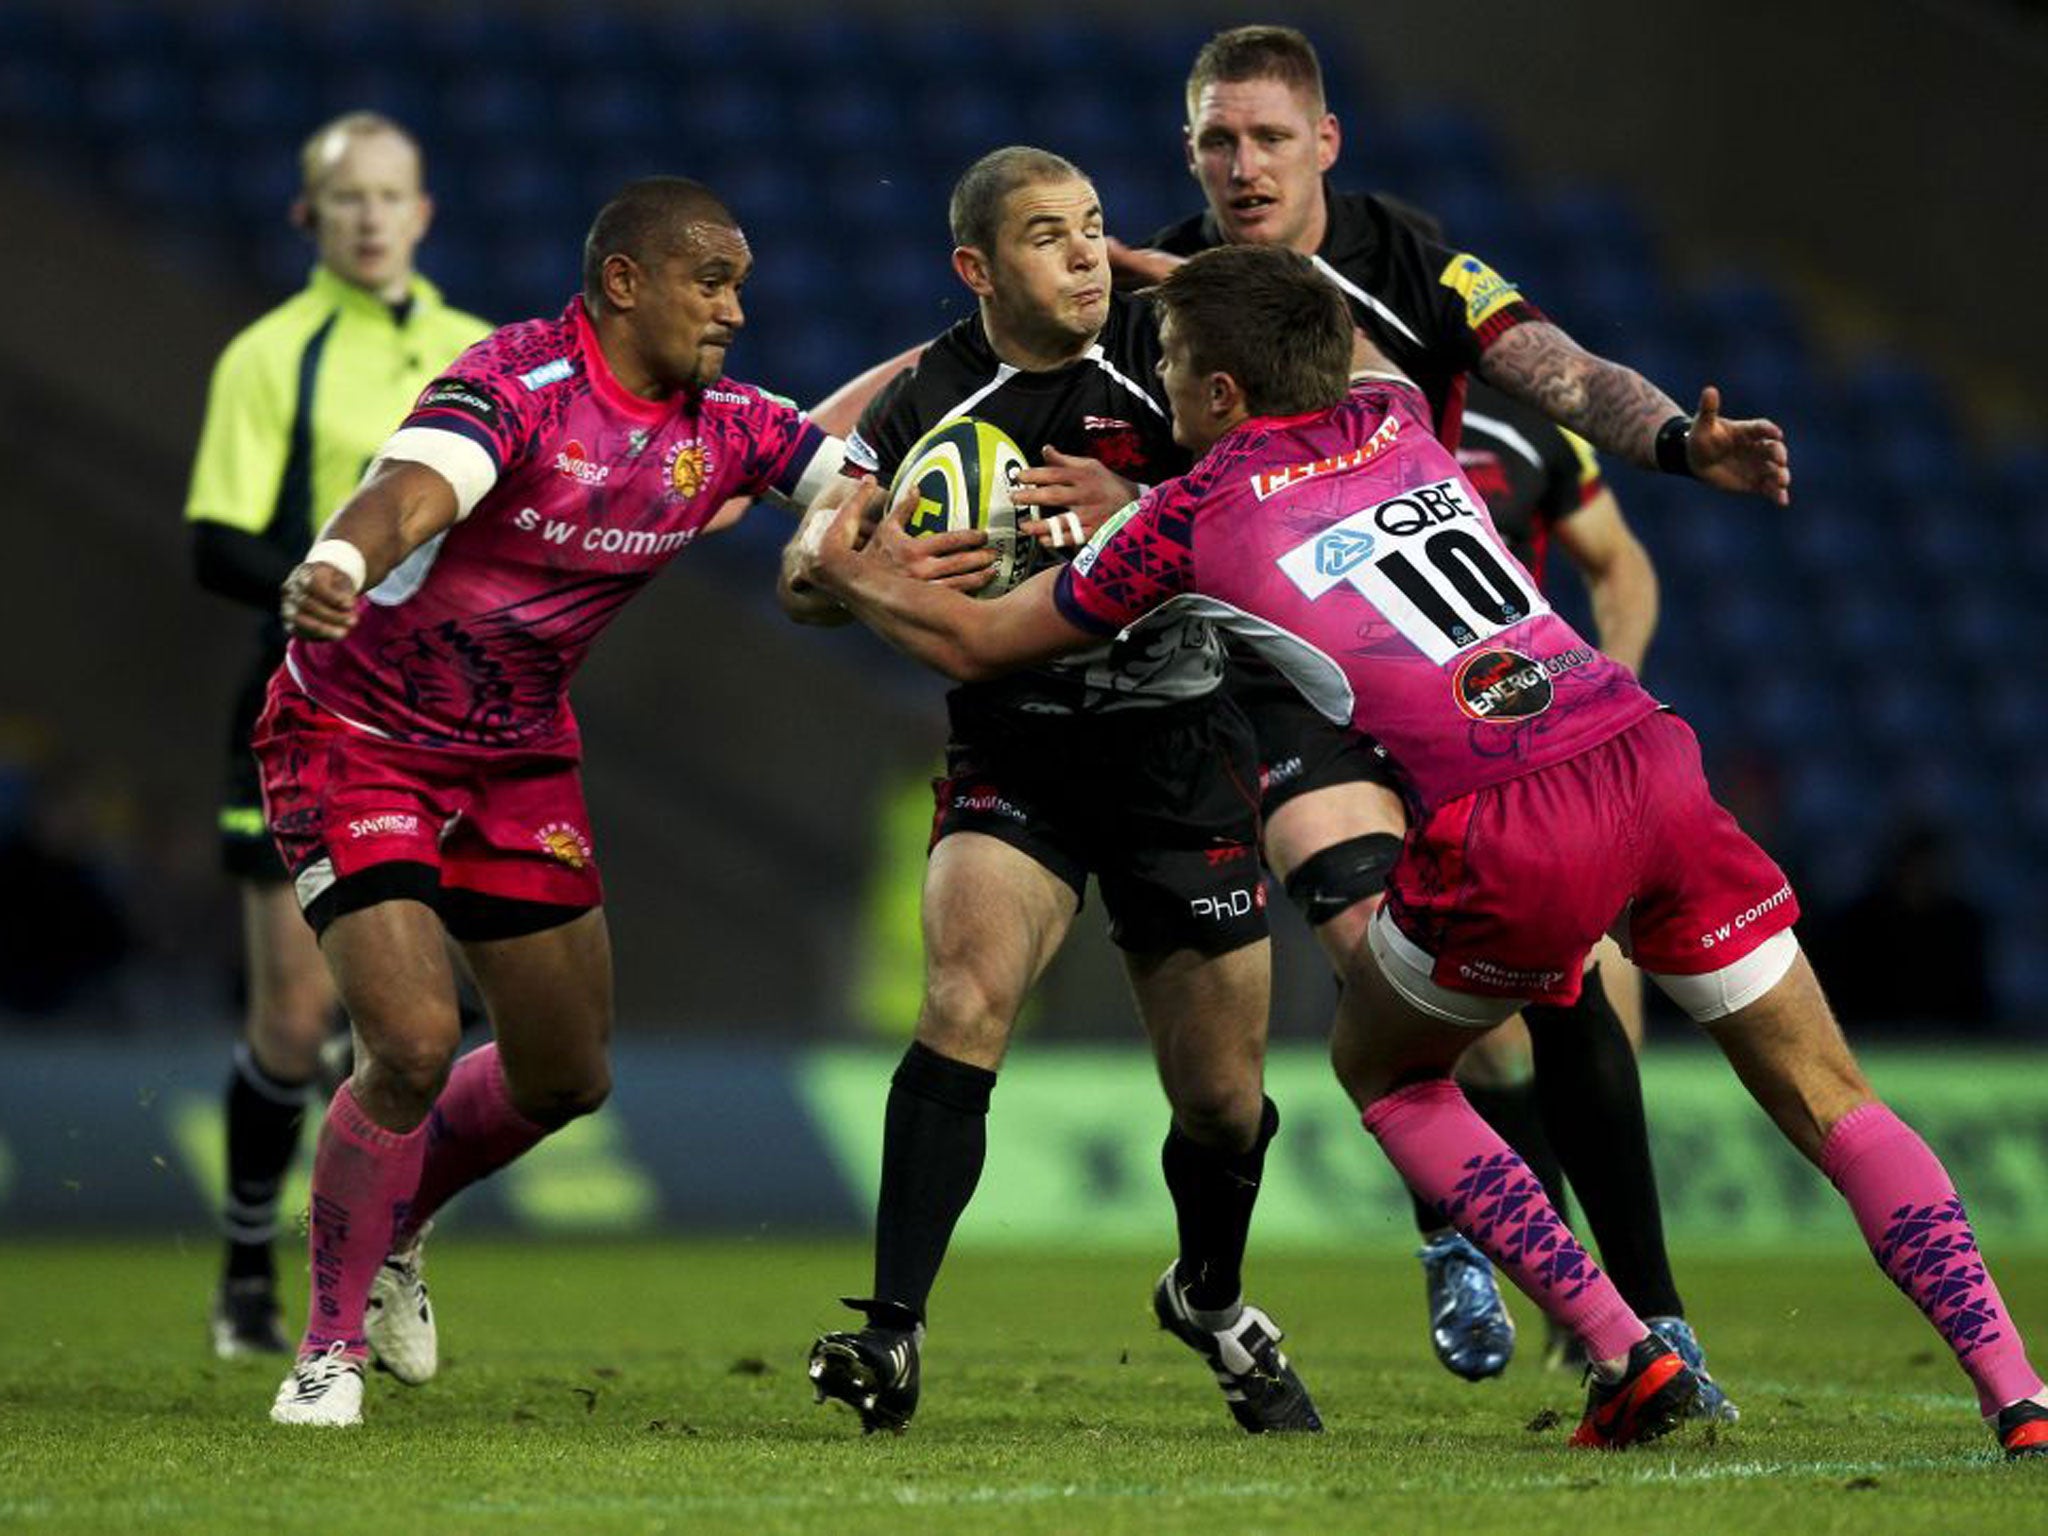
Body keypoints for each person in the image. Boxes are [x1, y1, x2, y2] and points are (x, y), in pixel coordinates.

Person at [792, 242, 2048, 1459]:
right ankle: (2015, 1390)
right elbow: (1331, 325)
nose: (1154, 380)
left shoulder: (1186, 520)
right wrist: (1172, 272)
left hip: (1511, 822)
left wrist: (854, 576)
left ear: (1218, 393)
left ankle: (1624, 1349)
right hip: (1645, 755)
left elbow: (975, 644)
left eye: (1170, 361)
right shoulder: (1397, 412)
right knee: (1830, 1096)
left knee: (1383, 1070)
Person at [1081, 23, 1772, 1396]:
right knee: (1364, 934)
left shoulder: (1412, 257)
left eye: (1269, 137)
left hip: (1456, 681)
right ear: (1189, 153)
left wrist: (1683, 444)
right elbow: (1109, 454)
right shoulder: (1161, 288)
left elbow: (1558, 368)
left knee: (1563, 987)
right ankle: (1464, 1229)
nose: (1242, 165)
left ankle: (1643, 1310)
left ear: (1324, 143)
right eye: (1218, 140)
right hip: (1288, 685)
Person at [258, 175, 846, 1425]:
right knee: (412, 1042)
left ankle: (397, 1223)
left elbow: (864, 481)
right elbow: (412, 488)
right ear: (624, 281)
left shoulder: (729, 424)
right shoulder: (517, 386)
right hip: (354, 736)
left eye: (740, 283)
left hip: (516, 755)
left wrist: (995, 514)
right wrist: (338, 560)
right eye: (711, 280)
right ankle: (325, 1351)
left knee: (566, 1074)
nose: (736, 308)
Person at [780, 146, 1320, 1438]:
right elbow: (811, 573)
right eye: (1046, 236)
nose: (1084, 256)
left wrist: (1143, 499)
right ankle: (892, 1333)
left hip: (1178, 751)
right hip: (1010, 750)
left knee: (1220, 1100)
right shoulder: (922, 403)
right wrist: (856, 568)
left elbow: (1294, 472)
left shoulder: (1166, 350)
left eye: (1090, 229)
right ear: (977, 266)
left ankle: (1210, 1296)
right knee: (963, 996)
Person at [184, 111, 489, 1359]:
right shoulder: (272, 354)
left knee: (422, 1023)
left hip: (449, 716)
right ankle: (249, 1278)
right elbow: (216, 540)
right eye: (345, 198)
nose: (370, 217)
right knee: (298, 1022)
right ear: (308, 219)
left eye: (390, 196)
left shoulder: (481, 351)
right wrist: (336, 574)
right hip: (300, 709)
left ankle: (369, 1260)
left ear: (422, 213)